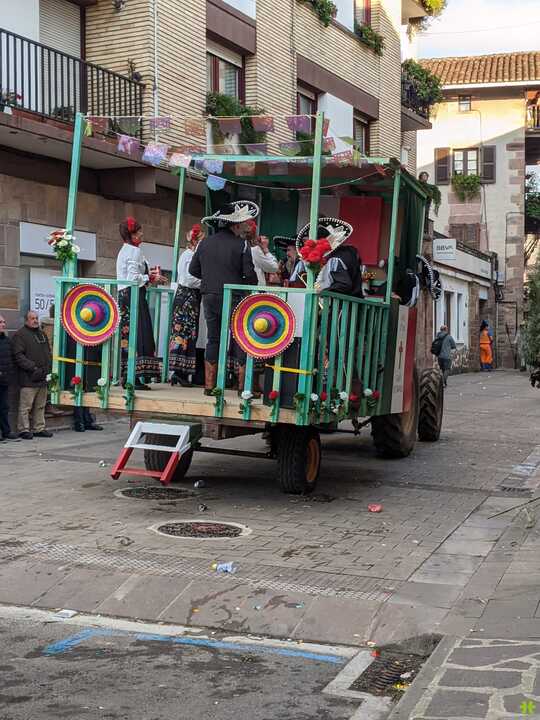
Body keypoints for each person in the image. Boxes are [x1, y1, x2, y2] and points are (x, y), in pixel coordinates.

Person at [189, 201, 259, 395]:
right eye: (241, 224)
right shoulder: (241, 244)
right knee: (238, 337)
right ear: (234, 225)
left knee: (213, 338)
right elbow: (250, 275)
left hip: (209, 295)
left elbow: (193, 270)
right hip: (233, 295)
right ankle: (242, 387)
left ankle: (209, 386)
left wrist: (210, 278)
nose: (243, 226)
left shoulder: (204, 243)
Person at [116, 217, 164, 390]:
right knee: (140, 334)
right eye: (139, 232)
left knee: (129, 335)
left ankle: (128, 375)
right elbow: (132, 278)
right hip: (133, 294)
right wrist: (151, 278)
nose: (142, 234)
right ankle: (134, 377)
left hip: (125, 294)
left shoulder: (125, 250)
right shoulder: (134, 251)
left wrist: (148, 277)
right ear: (132, 235)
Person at [169, 224, 205, 387]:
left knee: (187, 333)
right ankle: (179, 372)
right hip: (187, 298)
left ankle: (180, 372)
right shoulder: (189, 255)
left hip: (188, 298)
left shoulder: (190, 255)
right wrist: (205, 282)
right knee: (184, 333)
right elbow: (188, 279)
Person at [292, 218, 363, 297]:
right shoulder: (342, 254)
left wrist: (323, 292)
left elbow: (344, 285)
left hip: (344, 303)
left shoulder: (335, 259)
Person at [12, 310, 53, 439]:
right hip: (28, 377)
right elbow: (18, 356)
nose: (35, 320)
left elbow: (48, 352)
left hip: (43, 376)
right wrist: (33, 368)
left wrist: (48, 368)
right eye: (32, 318)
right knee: (26, 407)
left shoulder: (42, 334)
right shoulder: (20, 335)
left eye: (36, 318)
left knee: (40, 405)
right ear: (26, 320)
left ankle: (38, 428)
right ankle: (23, 429)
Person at [244, 221, 280, 286]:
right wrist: (266, 250)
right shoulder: (254, 250)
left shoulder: (238, 246)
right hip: (254, 289)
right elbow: (274, 267)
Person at [0, 315, 18, 441]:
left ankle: (6, 431)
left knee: (4, 407)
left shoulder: (6, 340)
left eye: (4, 322)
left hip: (4, 380)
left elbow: (11, 358)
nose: (3, 324)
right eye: (0, 322)